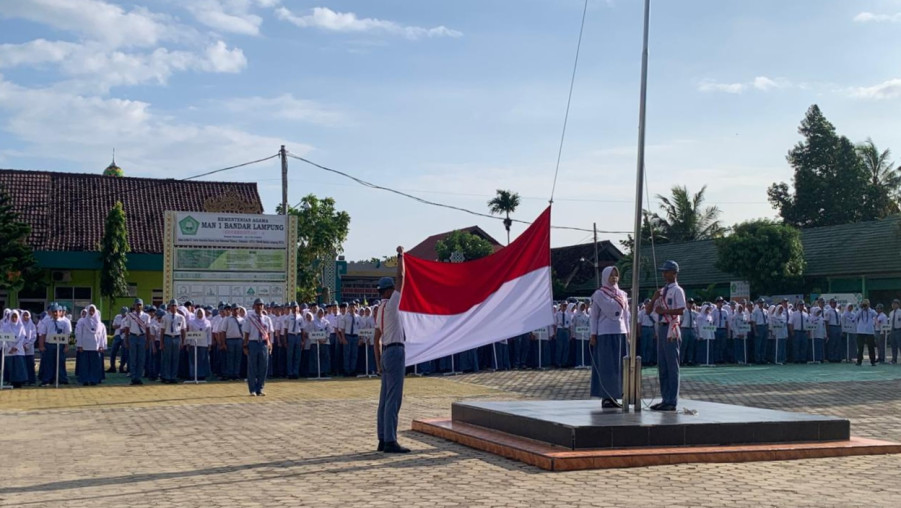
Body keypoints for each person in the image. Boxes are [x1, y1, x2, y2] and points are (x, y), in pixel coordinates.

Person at [374, 246, 409, 454]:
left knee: (384, 399)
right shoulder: (393, 303)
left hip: (386, 352)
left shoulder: (379, 309)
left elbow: (375, 339)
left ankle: (382, 438)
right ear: (389, 291)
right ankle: (390, 440)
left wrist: (378, 363)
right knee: (393, 399)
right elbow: (401, 277)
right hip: (395, 352)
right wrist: (400, 256)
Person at [588, 266, 629, 408]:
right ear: (605, 277)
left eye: (616, 275)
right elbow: (594, 316)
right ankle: (606, 396)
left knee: (620, 366)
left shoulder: (622, 294)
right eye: (611, 275)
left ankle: (619, 393)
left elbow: (626, 315)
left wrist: (628, 331)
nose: (614, 278)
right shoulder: (599, 294)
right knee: (607, 365)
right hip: (605, 333)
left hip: (620, 332)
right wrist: (593, 334)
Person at [649, 260, 685, 411]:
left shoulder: (677, 290)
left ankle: (672, 401)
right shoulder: (662, 291)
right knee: (662, 366)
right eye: (663, 272)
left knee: (672, 366)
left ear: (674, 273)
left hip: (672, 328)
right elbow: (649, 310)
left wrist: (664, 312)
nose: (664, 274)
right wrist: (654, 298)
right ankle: (665, 398)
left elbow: (681, 310)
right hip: (661, 327)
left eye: (666, 271)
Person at [244, 298, 273, 396]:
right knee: (252, 367)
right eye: (257, 305)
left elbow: (269, 333)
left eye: (261, 305)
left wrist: (270, 344)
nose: (259, 307)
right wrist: (245, 345)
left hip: (263, 344)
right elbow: (246, 333)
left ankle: (260, 388)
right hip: (253, 343)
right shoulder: (250, 318)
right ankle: (252, 389)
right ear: (254, 306)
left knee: (263, 367)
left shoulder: (267, 319)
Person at [39, 304, 71, 386]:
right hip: (49, 345)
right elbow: (43, 334)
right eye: (54, 312)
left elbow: (67, 335)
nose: (55, 313)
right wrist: (41, 346)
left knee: (61, 362)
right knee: (49, 363)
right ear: (51, 312)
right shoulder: (46, 322)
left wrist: (66, 346)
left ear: (60, 312)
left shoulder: (65, 322)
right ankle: (47, 379)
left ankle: (62, 379)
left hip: (60, 345)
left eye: (57, 312)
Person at [159, 299, 186, 384]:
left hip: (177, 338)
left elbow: (183, 330)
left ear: (177, 307)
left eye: (175, 306)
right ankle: (167, 376)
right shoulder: (165, 317)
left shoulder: (181, 317)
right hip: (167, 337)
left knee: (175, 358)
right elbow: (162, 330)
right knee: (167, 358)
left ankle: (173, 377)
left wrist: (183, 341)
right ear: (169, 307)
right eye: (172, 305)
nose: (173, 307)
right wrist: (161, 342)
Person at [1, 310, 28, 388]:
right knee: (10, 366)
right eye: (12, 317)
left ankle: (19, 382)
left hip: (18, 350)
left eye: (15, 317)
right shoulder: (5, 327)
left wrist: (16, 347)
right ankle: (10, 381)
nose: (14, 318)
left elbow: (22, 338)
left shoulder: (21, 327)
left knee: (19, 366)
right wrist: (9, 348)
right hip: (9, 351)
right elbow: (3, 338)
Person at [187, 308, 212, 380]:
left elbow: (209, 334)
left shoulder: (207, 322)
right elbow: (190, 333)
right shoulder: (191, 322)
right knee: (193, 360)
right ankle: (193, 375)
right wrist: (188, 343)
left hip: (204, 344)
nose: (200, 315)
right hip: (193, 344)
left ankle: (202, 375)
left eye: (201, 313)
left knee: (203, 360)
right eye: (198, 313)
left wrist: (209, 344)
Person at [854, 299, 878, 367]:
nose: (865, 306)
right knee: (860, 347)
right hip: (861, 331)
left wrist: (868, 308)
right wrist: (861, 308)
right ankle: (859, 361)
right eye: (864, 304)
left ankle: (872, 361)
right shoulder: (860, 311)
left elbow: (876, 315)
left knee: (871, 347)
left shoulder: (871, 311)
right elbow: (855, 317)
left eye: (866, 304)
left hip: (869, 331)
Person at [284, 302, 304, 379]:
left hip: (298, 336)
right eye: (293, 307)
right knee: (290, 355)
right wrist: (285, 340)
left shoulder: (300, 317)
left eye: (296, 307)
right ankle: (290, 373)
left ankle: (296, 372)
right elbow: (285, 330)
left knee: (297, 355)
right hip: (291, 336)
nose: (295, 308)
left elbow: (302, 329)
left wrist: (302, 340)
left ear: (298, 308)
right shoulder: (288, 317)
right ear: (291, 308)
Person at [341, 301, 360, 377]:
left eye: (353, 307)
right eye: (351, 307)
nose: (352, 308)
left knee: (354, 354)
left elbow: (360, 328)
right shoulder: (345, 317)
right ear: (348, 308)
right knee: (347, 354)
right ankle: (346, 371)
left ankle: (353, 370)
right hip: (347, 336)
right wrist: (343, 338)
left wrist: (360, 338)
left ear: (356, 308)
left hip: (355, 337)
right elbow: (342, 329)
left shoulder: (358, 317)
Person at [107, 307, 129, 373]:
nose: (123, 314)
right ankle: (112, 367)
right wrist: (121, 326)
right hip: (117, 335)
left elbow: (128, 327)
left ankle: (121, 367)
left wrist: (123, 328)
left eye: (124, 313)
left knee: (124, 353)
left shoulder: (129, 318)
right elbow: (114, 326)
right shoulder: (117, 316)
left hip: (124, 336)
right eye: (122, 313)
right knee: (113, 351)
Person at [554, 302, 572, 368]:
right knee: (559, 347)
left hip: (566, 330)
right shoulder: (557, 314)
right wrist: (555, 333)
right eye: (563, 306)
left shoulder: (568, 314)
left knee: (566, 347)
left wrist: (570, 334)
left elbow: (570, 325)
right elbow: (555, 325)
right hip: (560, 330)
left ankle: (564, 362)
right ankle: (558, 362)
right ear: (560, 306)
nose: (564, 307)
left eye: (565, 306)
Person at [751, 299, 769, 364]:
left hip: (765, 326)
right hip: (759, 327)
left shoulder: (766, 311)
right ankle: (757, 359)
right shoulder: (755, 311)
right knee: (758, 344)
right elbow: (754, 322)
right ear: (758, 304)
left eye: (763, 303)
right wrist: (755, 331)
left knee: (764, 344)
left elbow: (767, 320)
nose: (762, 304)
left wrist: (768, 328)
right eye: (760, 303)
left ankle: (762, 358)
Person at [21, 310, 37, 385]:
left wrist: (27, 345)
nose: (25, 317)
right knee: (22, 365)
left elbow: (34, 337)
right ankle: (23, 380)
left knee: (30, 365)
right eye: (24, 315)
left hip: (29, 349)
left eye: (27, 315)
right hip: (20, 348)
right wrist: (21, 345)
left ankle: (31, 380)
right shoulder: (20, 324)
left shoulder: (32, 325)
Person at [824, 298, 843, 363]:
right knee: (832, 343)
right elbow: (826, 322)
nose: (834, 304)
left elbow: (840, 321)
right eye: (833, 303)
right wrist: (828, 331)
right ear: (830, 303)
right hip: (832, 327)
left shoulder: (838, 311)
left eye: (835, 303)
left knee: (838, 343)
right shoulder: (828, 311)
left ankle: (837, 357)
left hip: (838, 327)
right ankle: (831, 357)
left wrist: (841, 329)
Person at [890, 299, 901, 365]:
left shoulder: (900, 312)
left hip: (899, 330)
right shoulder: (891, 313)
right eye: (892, 304)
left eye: (895, 304)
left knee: (900, 345)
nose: (893, 305)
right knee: (893, 346)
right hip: (892, 331)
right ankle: (894, 359)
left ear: (898, 305)